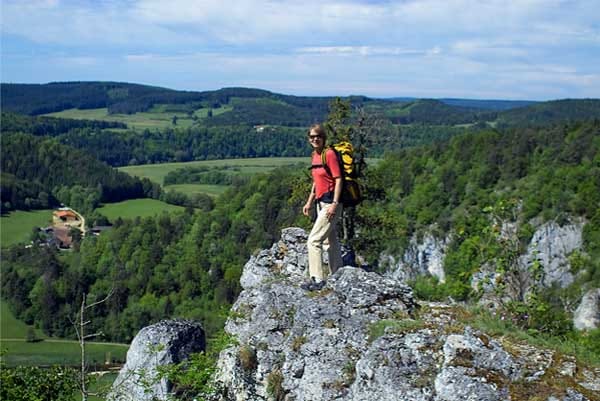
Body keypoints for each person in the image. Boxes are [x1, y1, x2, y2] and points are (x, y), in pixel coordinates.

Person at [301, 124, 343, 291]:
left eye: (317, 136)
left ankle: (317, 279)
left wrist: (334, 203)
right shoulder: (315, 155)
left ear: (323, 138)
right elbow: (316, 181)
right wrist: (310, 201)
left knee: (313, 240)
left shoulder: (329, 154)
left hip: (331, 203)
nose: (314, 139)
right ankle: (338, 275)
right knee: (330, 240)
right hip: (321, 202)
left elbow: (338, 179)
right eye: (311, 137)